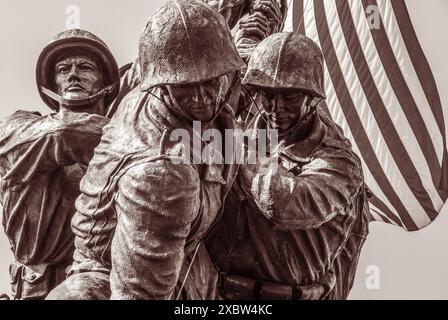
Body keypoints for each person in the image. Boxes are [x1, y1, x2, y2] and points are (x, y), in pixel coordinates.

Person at [46, 0, 245, 300]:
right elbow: (138, 293)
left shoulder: (176, 95)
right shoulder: (160, 174)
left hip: (187, 269)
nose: (203, 96)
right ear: (161, 86)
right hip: (113, 284)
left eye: (212, 80)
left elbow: (193, 46)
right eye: (186, 86)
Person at [206, 32, 370, 300]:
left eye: (290, 97)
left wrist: (234, 147)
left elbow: (285, 204)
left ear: (312, 98)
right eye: (268, 95)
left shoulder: (340, 163)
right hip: (214, 293)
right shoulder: (248, 127)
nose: (276, 107)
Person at [0, 29, 119, 300]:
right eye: (63, 69)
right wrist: (132, 135)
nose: (73, 74)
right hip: (37, 290)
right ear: (53, 84)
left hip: (105, 286)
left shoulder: (126, 135)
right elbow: (66, 133)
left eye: (85, 67)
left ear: (107, 83)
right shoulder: (18, 129)